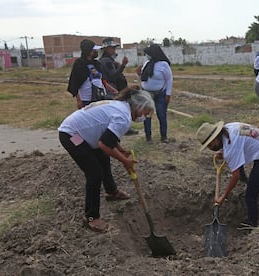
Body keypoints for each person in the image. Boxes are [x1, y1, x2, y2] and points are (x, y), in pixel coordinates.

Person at [58, 89, 155, 233]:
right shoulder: (123, 117)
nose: (145, 117)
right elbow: (104, 144)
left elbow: (108, 136)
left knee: (103, 159)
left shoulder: (121, 106)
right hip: (72, 135)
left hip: (81, 132)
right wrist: (125, 161)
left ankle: (111, 191)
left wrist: (120, 150)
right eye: (145, 113)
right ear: (138, 107)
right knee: (94, 173)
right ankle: (91, 218)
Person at [196, 121, 259, 228]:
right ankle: (246, 181)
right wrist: (223, 152)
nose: (210, 149)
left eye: (210, 145)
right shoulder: (228, 128)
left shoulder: (231, 147)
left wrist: (223, 196)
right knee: (241, 171)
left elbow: (236, 176)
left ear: (216, 138)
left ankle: (251, 225)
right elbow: (239, 144)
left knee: (250, 195)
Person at [100, 37, 138, 135]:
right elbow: (113, 75)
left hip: (115, 87)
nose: (114, 50)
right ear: (107, 48)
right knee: (118, 109)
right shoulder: (106, 61)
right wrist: (123, 65)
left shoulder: (109, 60)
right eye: (112, 48)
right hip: (112, 89)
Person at [67, 39, 118, 109]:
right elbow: (74, 84)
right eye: (94, 50)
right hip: (86, 100)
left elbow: (102, 80)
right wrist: (79, 100)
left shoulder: (96, 64)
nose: (96, 51)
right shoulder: (79, 64)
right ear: (89, 51)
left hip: (100, 97)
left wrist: (113, 90)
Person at [137, 44, 173, 143]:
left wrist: (168, 94)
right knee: (146, 116)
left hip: (160, 94)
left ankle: (164, 136)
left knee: (161, 115)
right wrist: (138, 74)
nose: (146, 55)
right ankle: (148, 137)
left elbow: (169, 79)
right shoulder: (147, 63)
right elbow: (143, 79)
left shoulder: (163, 65)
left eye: (148, 53)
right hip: (146, 94)